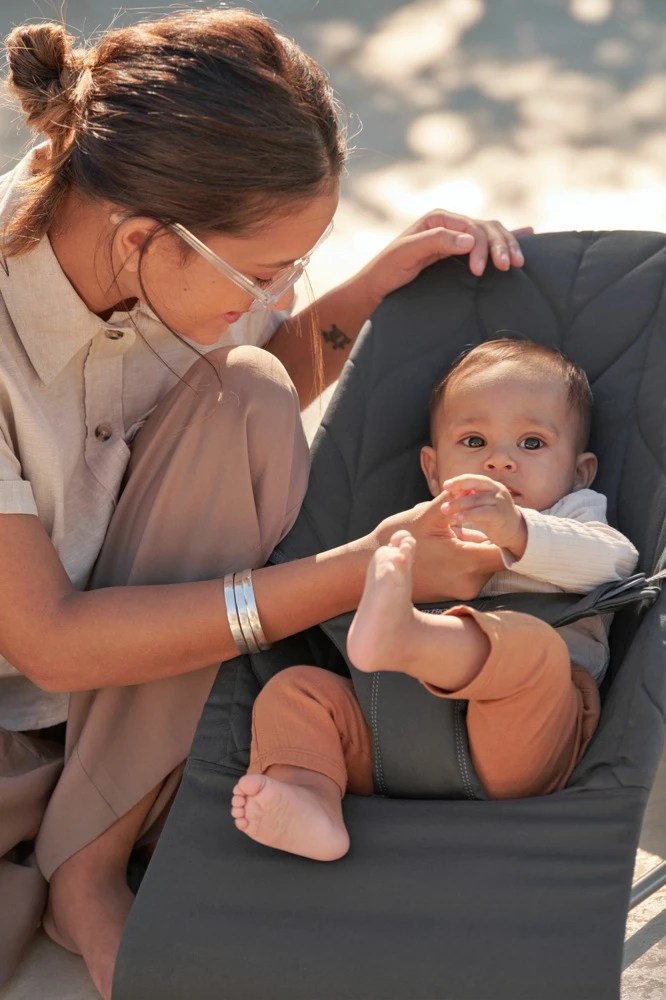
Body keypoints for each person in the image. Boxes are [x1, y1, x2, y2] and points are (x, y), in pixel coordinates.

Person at [0, 8, 528, 997]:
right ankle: (95, 829)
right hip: (36, 682)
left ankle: (93, 849)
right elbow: (52, 644)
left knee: (244, 387)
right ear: (144, 237)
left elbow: (237, 392)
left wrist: (368, 291)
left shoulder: (161, 259)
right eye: (267, 272)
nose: (278, 293)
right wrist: (355, 571)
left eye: (301, 267)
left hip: (115, 687)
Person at [231, 338, 639, 862]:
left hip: (525, 739)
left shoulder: (574, 513)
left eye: (532, 444)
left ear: (579, 471)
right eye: (473, 441)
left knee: (532, 648)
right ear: (432, 469)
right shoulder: (420, 529)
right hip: (391, 733)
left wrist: (518, 532)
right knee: (296, 691)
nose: (500, 462)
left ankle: (406, 636)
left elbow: (617, 562)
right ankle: (309, 796)